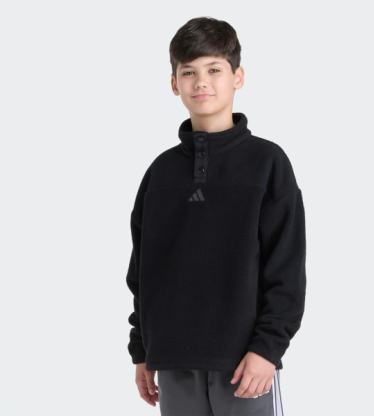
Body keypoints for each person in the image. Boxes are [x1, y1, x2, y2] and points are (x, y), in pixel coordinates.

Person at [125, 16, 307, 416]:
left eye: (213, 69)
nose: (201, 82)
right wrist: (142, 349)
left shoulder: (267, 163)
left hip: (245, 365)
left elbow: (286, 265)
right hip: (173, 361)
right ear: (174, 84)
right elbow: (144, 271)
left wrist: (268, 348)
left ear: (237, 77)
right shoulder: (160, 173)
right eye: (188, 72)